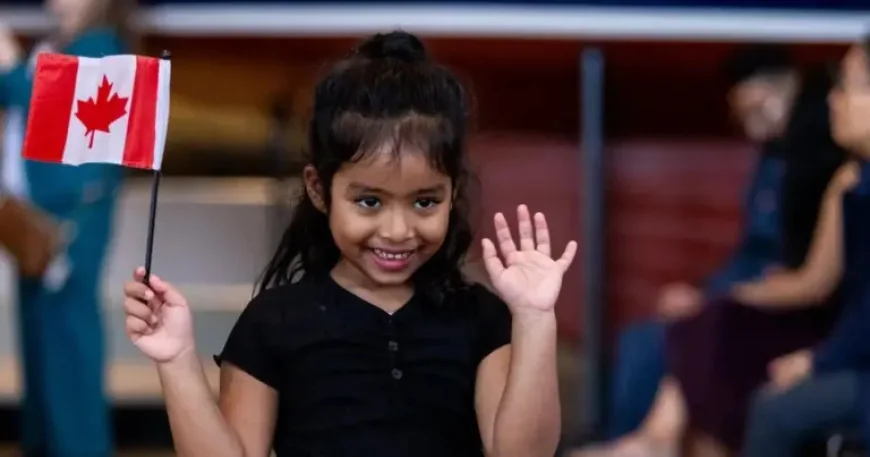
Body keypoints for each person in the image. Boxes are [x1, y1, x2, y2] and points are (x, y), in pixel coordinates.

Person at [121, 31, 577, 457]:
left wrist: (535, 318)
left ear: (453, 192)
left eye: (424, 202)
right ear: (320, 191)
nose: (398, 230)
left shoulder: (481, 319)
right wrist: (177, 358)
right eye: (369, 201)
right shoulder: (274, 322)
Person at [572, 50, 847, 457]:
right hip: (757, 293)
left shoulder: (835, 174)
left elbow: (812, 283)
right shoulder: (778, 160)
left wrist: (716, 299)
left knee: (700, 332)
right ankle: (641, 439)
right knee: (649, 337)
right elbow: (751, 256)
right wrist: (707, 292)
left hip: (794, 312)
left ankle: (655, 440)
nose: (838, 101)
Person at [0, 0, 136, 455]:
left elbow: (50, 101)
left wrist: (10, 63)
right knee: (40, 348)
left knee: (66, 349)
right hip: (32, 217)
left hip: (71, 219)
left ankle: (78, 447)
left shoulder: (100, 46)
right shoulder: (63, 42)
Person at [740, 37, 870, 457]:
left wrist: (818, 362)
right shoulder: (856, 180)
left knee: (774, 410)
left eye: (848, 86)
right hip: (853, 354)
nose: (834, 100)